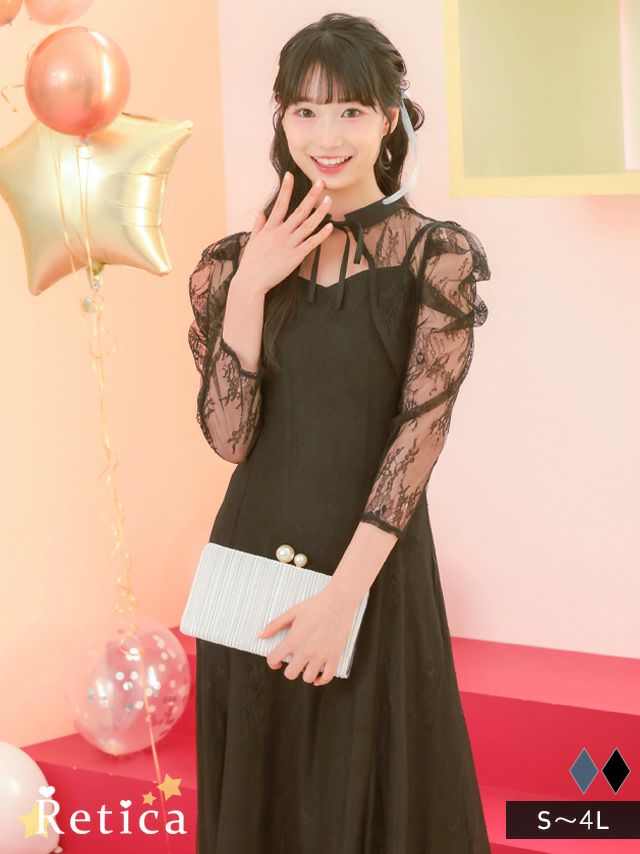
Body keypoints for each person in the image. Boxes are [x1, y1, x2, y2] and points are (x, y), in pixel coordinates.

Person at [188, 12, 492, 853]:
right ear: (282, 118)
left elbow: (416, 444)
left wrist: (338, 602)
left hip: (370, 578)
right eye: (306, 111)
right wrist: (250, 289)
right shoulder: (228, 264)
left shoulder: (434, 257)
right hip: (251, 572)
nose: (327, 136)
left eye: (351, 111)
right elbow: (229, 439)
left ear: (389, 119)